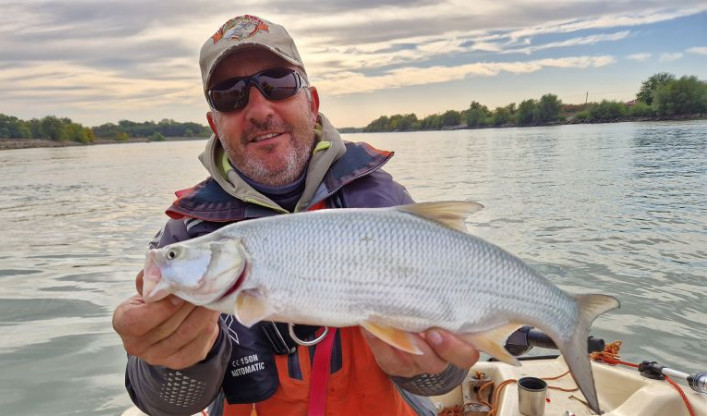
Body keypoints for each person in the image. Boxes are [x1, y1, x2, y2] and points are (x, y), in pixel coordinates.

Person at [113, 15, 479, 416]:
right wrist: (173, 362)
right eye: (229, 95)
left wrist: (428, 369)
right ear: (214, 124)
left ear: (312, 102)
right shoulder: (190, 233)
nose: (258, 109)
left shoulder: (383, 203)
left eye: (278, 83)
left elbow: (443, 377)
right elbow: (163, 405)